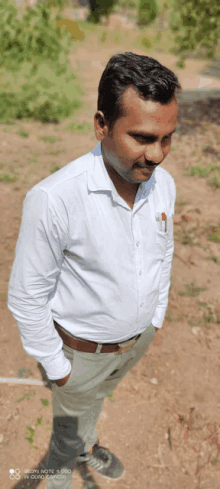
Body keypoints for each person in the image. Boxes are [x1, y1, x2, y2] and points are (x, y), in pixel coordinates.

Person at [8, 52, 181, 489]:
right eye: (141, 137)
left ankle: (87, 440)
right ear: (101, 124)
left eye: (167, 138)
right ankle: (67, 465)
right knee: (62, 449)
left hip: (133, 344)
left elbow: (163, 253)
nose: (156, 155)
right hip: (77, 356)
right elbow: (27, 295)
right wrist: (57, 367)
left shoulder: (164, 186)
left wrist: (154, 320)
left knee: (94, 405)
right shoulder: (55, 199)